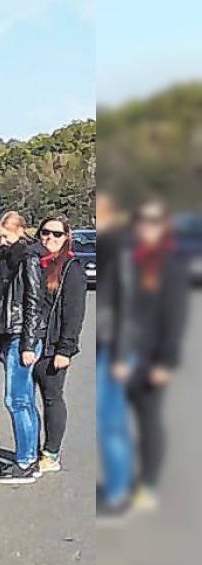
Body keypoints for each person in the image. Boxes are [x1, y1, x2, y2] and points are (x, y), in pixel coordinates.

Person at [120, 199, 187, 511]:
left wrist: (166, 362)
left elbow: (176, 318)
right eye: (142, 222)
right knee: (124, 420)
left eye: (153, 222)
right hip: (127, 353)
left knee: (148, 420)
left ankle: (149, 482)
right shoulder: (132, 260)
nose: (146, 227)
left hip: (153, 356)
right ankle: (130, 476)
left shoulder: (169, 266)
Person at [0, 211, 44, 484]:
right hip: (10, 333)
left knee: (17, 400)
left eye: (6, 233)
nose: (2, 239)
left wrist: (29, 343)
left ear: (20, 230)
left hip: (22, 334)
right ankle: (29, 455)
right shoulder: (5, 259)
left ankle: (25, 461)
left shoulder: (27, 258)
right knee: (24, 400)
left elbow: (34, 301)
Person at [31, 215, 87, 475]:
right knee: (23, 400)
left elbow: (74, 313)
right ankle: (30, 449)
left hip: (53, 347)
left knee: (51, 398)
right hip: (30, 343)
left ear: (66, 238)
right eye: (45, 233)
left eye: (56, 234)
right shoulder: (34, 264)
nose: (49, 238)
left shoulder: (71, 268)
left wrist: (65, 349)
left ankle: (51, 452)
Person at [96, 192, 138, 517]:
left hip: (116, 347)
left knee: (112, 420)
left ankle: (120, 489)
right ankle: (119, 485)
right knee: (109, 419)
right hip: (104, 344)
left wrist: (123, 355)